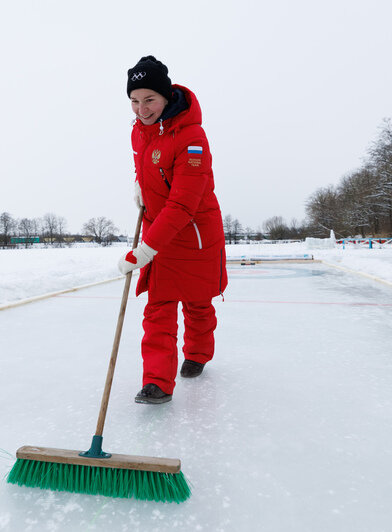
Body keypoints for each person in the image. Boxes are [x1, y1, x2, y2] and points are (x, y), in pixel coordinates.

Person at [118, 56, 227, 404]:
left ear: (166, 97)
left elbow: (183, 203)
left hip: (194, 236)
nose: (141, 109)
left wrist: (146, 249)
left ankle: (197, 354)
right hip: (160, 232)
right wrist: (139, 185)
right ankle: (157, 382)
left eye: (149, 99)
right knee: (158, 309)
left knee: (197, 304)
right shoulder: (139, 132)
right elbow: (149, 167)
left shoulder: (192, 137)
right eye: (134, 101)